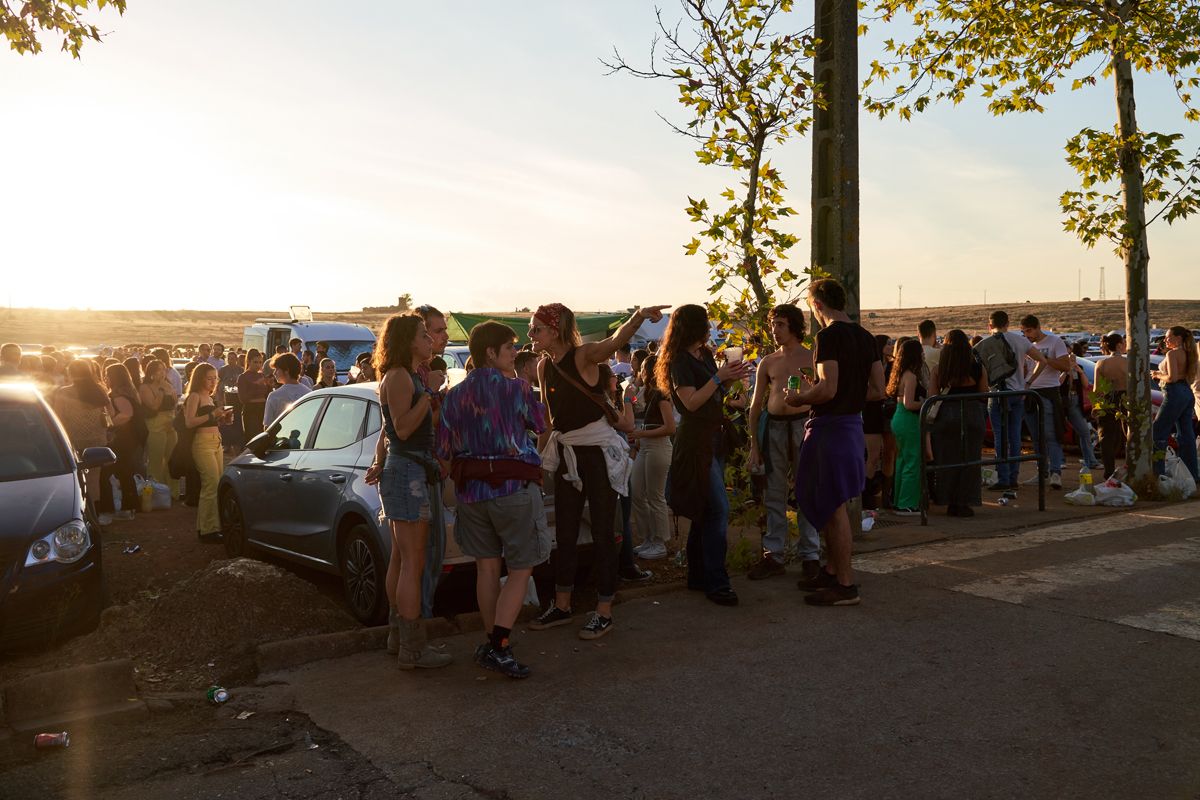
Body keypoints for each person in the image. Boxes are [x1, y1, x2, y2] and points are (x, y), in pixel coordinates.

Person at [529, 301, 668, 637]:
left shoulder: (583, 355)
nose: (531, 335)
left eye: (537, 329)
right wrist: (536, 461)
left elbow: (615, 342)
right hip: (566, 454)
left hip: (597, 454)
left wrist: (637, 318)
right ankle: (562, 605)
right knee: (564, 531)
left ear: (556, 329)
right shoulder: (544, 367)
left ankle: (604, 608)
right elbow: (550, 423)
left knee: (605, 530)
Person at [437, 321, 549, 678]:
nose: (515, 353)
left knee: (486, 568)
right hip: (512, 488)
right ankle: (500, 645)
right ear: (490, 352)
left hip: (472, 493)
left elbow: (444, 449)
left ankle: (492, 641)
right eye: (510, 348)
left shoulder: (453, 396)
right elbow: (541, 424)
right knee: (520, 568)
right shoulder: (517, 388)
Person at [786, 278, 884, 606]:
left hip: (830, 428)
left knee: (833, 506)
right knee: (832, 504)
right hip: (852, 426)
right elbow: (878, 390)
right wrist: (847, 395)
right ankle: (831, 570)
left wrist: (800, 398)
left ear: (817, 305)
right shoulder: (866, 336)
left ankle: (845, 584)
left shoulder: (827, 336)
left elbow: (827, 389)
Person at [363, 314, 449, 669]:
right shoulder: (399, 377)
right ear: (407, 341)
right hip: (408, 472)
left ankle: (398, 637)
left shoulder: (406, 376)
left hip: (407, 470)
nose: (430, 339)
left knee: (402, 557)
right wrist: (429, 394)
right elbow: (399, 428)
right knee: (413, 562)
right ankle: (413, 649)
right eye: (422, 335)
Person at [658, 304, 752, 606]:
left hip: (715, 436)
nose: (710, 328)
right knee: (718, 510)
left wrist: (728, 378)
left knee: (704, 509)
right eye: (705, 323)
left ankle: (698, 575)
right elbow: (691, 403)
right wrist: (718, 378)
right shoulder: (679, 361)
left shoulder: (704, 354)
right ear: (693, 326)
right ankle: (717, 581)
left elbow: (713, 394)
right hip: (695, 440)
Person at [745, 304, 820, 580]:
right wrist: (754, 445)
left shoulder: (811, 357)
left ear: (794, 327)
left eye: (781, 325)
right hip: (774, 428)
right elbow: (755, 406)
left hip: (803, 426)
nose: (775, 331)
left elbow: (823, 393)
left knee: (806, 490)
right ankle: (773, 554)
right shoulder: (768, 361)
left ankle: (810, 554)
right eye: (773, 325)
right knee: (774, 493)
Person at [972, 310, 1045, 491]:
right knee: (1015, 436)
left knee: (1000, 436)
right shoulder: (1021, 341)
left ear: (990, 325)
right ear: (1008, 323)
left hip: (997, 394)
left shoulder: (984, 345)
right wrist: (1027, 383)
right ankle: (1013, 476)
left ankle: (1003, 477)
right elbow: (1042, 361)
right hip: (1018, 394)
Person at [414, 304, 451, 620]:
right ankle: (417, 631)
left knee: (430, 554)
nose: (444, 337)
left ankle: (412, 632)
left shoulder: (425, 371)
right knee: (425, 555)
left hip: (433, 468)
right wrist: (440, 398)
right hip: (421, 470)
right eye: (437, 331)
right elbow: (413, 425)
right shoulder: (414, 375)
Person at [930, 330, 988, 517]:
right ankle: (965, 502)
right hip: (972, 415)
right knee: (970, 461)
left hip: (946, 416)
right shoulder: (978, 368)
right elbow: (983, 394)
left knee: (947, 460)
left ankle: (947, 500)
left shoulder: (939, 369)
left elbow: (932, 396)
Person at [52, 360, 114, 519]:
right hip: (97, 441)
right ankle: (96, 516)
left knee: (75, 479)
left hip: (73, 441)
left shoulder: (64, 392)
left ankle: (80, 515)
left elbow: (58, 417)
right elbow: (111, 413)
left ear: (70, 373)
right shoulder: (99, 390)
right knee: (94, 480)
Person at [629, 354, 675, 560]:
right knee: (637, 491)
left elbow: (669, 427)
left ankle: (660, 542)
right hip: (646, 446)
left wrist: (641, 434)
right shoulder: (649, 394)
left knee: (655, 495)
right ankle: (648, 538)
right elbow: (637, 406)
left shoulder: (662, 394)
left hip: (657, 446)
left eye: (643, 369)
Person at [1020, 315, 1071, 488]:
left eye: (1029, 331)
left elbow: (1066, 366)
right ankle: (1042, 472)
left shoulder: (1055, 342)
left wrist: (1043, 360)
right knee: (1035, 437)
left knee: (1051, 435)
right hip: (1030, 392)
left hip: (1048, 391)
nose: (1027, 335)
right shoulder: (1028, 345)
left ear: (1037, 327)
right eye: (1024, 331)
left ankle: (1055, 472)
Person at [183, 363, 230, 539]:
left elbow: (209, 421)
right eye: (209, 378)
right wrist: (213, 415)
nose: (213, 381)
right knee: (210, 484)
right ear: (200, 378)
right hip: (202, 443)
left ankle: (213, 525)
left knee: (217, 484)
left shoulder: (209, 397)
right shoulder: (195, 396)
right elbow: (189, 422)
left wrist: (223, 419)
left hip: (216, 441)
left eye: (215, 378)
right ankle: (207, 529)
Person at [1152, 326, 1199, 481]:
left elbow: (1172, 378)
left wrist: (1157, 375)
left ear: (1178, 338)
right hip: (1186, 392)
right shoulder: (1189, 353)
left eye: (1168, 337)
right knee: (1186, 435)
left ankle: (1158, 474)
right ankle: (1191, 474)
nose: (1165, 340)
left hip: (1174, 392)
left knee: (1158, 431)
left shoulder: (1173, 353)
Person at [887, 339, 927, 515]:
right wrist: (925, 403)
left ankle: (899, 501)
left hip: (898, 417)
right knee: (913, 461)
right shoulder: (910, 376)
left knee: (902, 460)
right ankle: (907, 504)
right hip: (908, 419)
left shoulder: (900, 373)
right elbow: (909, 403)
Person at [103, 364, 147, 520]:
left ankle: (124, 508)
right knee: (125, 472)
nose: (105, 378)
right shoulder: (131, 392)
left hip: (123, 438)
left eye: (107, 375)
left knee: (112, 472)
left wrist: (111, 423)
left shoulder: (119, 395)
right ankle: (130, 507)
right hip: (132, 438)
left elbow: (127, 414)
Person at [140, 359, 179, 499]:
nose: (163, 373)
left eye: (164, 369)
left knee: (172, 459)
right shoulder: (145, 387)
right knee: (156, 461)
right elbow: (154, 406)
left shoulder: (168, 384)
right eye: (159, 370)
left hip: (170, 424)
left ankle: (172, 492)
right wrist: (162, 392)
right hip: (155, 425)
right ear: (151, 373)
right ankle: (155, 493)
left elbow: (174, 404)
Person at [1064, 340, 1101, 475]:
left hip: (1074, 400)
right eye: (1067, 354)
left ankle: (1090, 461)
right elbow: (1058, 383)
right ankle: (1059, 462)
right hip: (1061, 401)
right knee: (1055, 433)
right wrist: (1065, 371)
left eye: (1071, 353)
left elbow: (1085, 385)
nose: (1070, 357)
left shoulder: (1078, 367)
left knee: (1084, 431)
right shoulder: (1056, 366)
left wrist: (1079, 371)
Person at [1094, 333, 1128, 479]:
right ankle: (1130, 468)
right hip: (1126, 398)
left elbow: (1097, 390)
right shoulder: (1129, 363)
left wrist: (1097, 406)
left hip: (1108, 399)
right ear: (1119, 345)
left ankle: (1109, 470)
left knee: (1106, 436)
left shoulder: (1101, 364)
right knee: (1129, 433)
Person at [263, 353, 311, 427]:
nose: (274, 373)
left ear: (286, 371)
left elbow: (267, 425)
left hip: (282, 437)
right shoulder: (309, 393)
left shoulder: (274, 396)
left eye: (277, 369)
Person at [237, 349, 269, 441]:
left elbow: (267, 395)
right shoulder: (243, 377)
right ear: (248, 361)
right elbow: (243, 399)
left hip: (263, 410)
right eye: (255, 362)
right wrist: (256, 385)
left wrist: (270, 385)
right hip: (251, 411)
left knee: (264, 437)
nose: (258, 365)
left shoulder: (262, 375)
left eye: (260, 362)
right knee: (253, 439)